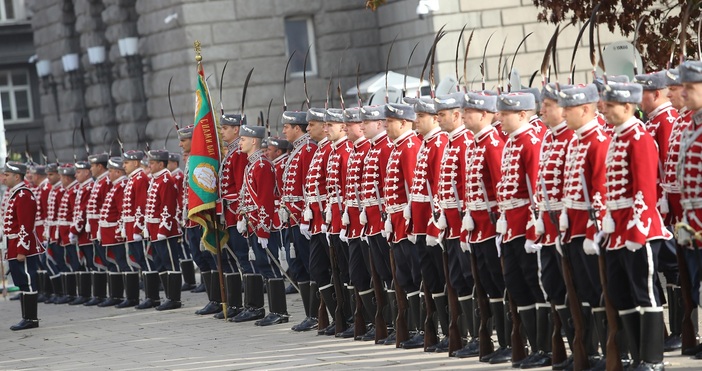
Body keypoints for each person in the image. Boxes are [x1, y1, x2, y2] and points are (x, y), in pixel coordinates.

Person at [601, 81, 670, 370]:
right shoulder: (618, 136)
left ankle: (653, 359)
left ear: (627, 107)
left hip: (638, 229)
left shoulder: (638, 137)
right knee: (621, 294)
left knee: (646, 292)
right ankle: (634, 355)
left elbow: (644, 188)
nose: (604, 110)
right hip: (617, 229)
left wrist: (638, 228)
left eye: (610, 105)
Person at [495, 92, 547, 367]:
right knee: (517, 286)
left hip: (526, 226)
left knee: (534, 285)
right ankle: (534, 347)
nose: (500, 118)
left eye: (506, 114)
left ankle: (546, 348)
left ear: (524, 115)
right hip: (510, 226)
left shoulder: (530, 142)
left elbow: (536, 190)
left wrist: (533, 230)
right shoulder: (511, 142)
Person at [462, 91, 511, 364]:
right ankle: (497, 340)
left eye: (469, 111)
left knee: (499, 284)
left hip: (492, 227)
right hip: (477, 226)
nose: (464, 115)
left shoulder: (492, 143)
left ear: (483, 114)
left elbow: (501, 187)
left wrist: (500, 221)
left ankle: (508, 341)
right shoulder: (476, 143)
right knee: (488, 286)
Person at [281, 111, 318, 332]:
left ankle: (315, 314)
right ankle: (309, 313)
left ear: (298, 128)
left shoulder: (308, 150)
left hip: (301, 217)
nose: (284, 130)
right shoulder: (297, 150)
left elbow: (309, 187)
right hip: (291, 218)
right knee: (299, 267)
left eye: (287, 126)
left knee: (309, 265)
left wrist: (305, 216)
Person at [3, 162, 42, 330]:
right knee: (22, 282)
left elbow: (25, 225)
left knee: (28, 280)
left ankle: (31, 319)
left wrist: (22, 250)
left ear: (17, 176)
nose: (4, 178)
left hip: (22, 245)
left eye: (7, 175)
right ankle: (26, 317)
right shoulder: (16, 194)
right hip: (14, 243)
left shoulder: (23, 195)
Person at [144, 149, 184, 311]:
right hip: (154, 228)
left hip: (165, 229)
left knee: (170, 263)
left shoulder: (166, 180)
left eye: (152, 163)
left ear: (161, 164)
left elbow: (168, 207)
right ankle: (168, 296)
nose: (149, 166)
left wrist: (163, 229)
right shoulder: (156, 179)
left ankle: (174, 298)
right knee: (160, 263)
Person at [83, 153, 111, 306]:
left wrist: (99, 227)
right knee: (98, 260)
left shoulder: (106, 181)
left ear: (100, 166)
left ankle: (113, 294)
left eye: (92, 166)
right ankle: (101, 294)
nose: (91, 169)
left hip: (103, 227)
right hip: (95, 228)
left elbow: (105, 208)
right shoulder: (99, 181)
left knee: (108, 261)